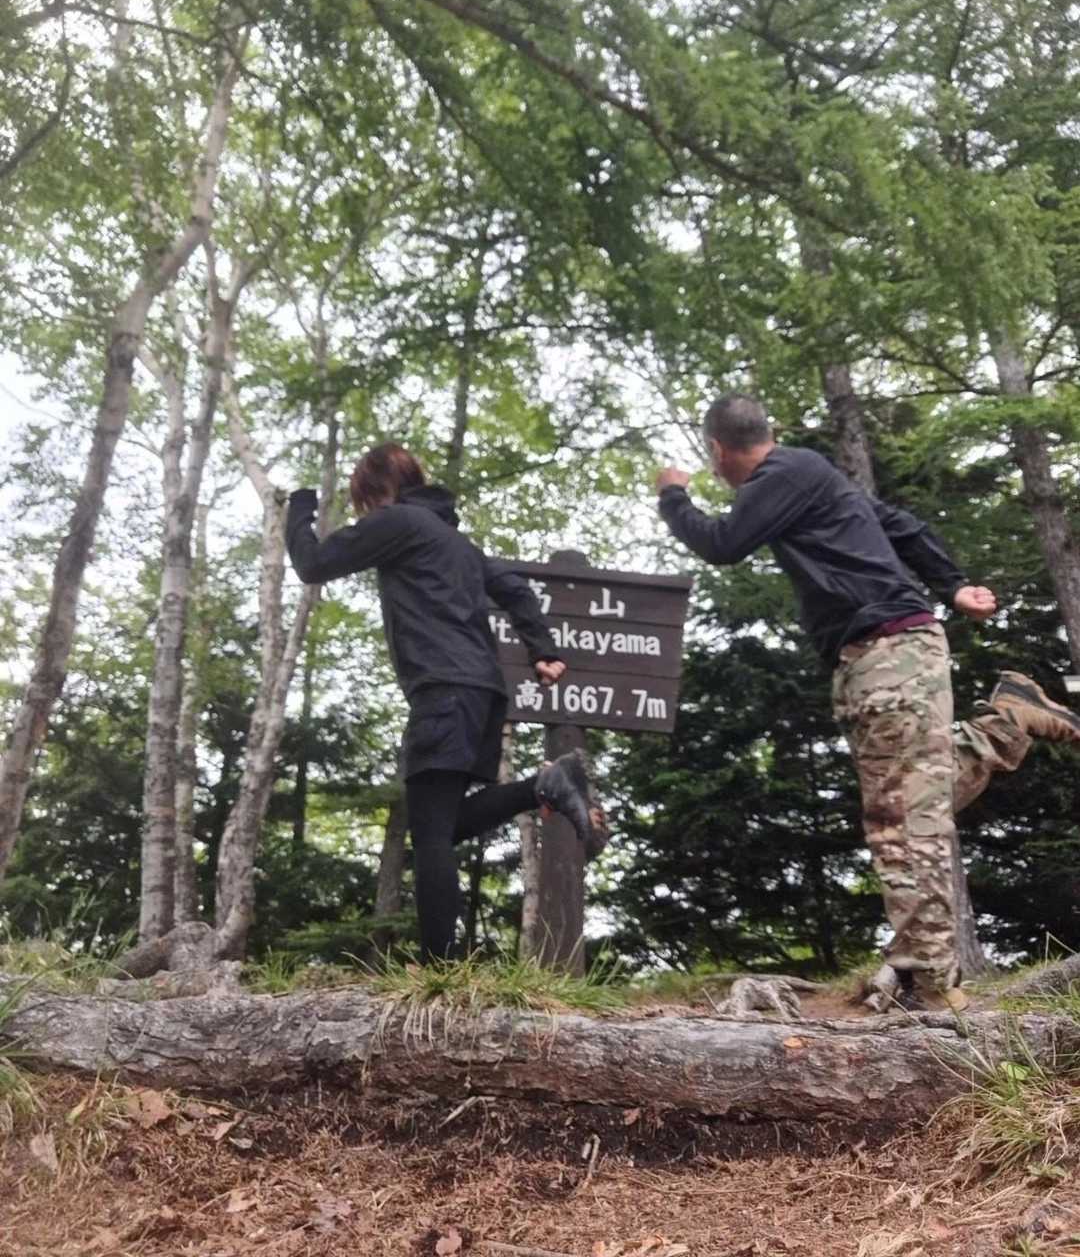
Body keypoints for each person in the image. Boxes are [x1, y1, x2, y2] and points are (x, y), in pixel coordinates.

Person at [656, 394, 1080, 1012]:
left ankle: (931, 985)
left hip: (885, 651)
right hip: (889, 649)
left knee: (902, 817)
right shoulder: (815, 477)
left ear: (717, 451)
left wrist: (673, 495)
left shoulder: (781, 474)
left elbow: (722, 542)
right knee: (911, 799)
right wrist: (953, 584)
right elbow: (896, 523)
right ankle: (1007, 720)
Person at [286, 442, 607, 964]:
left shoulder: (397, 522)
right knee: (444, 824)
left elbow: (313, 563)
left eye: (364, 502)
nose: (365, 514)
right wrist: (542, 649)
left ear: (376, 490)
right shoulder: (457, 543)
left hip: (445, 690)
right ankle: (542, 786)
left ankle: (440, 969)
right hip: (482, 694)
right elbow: (514, 589)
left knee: (432, 835)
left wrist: (299, 508)